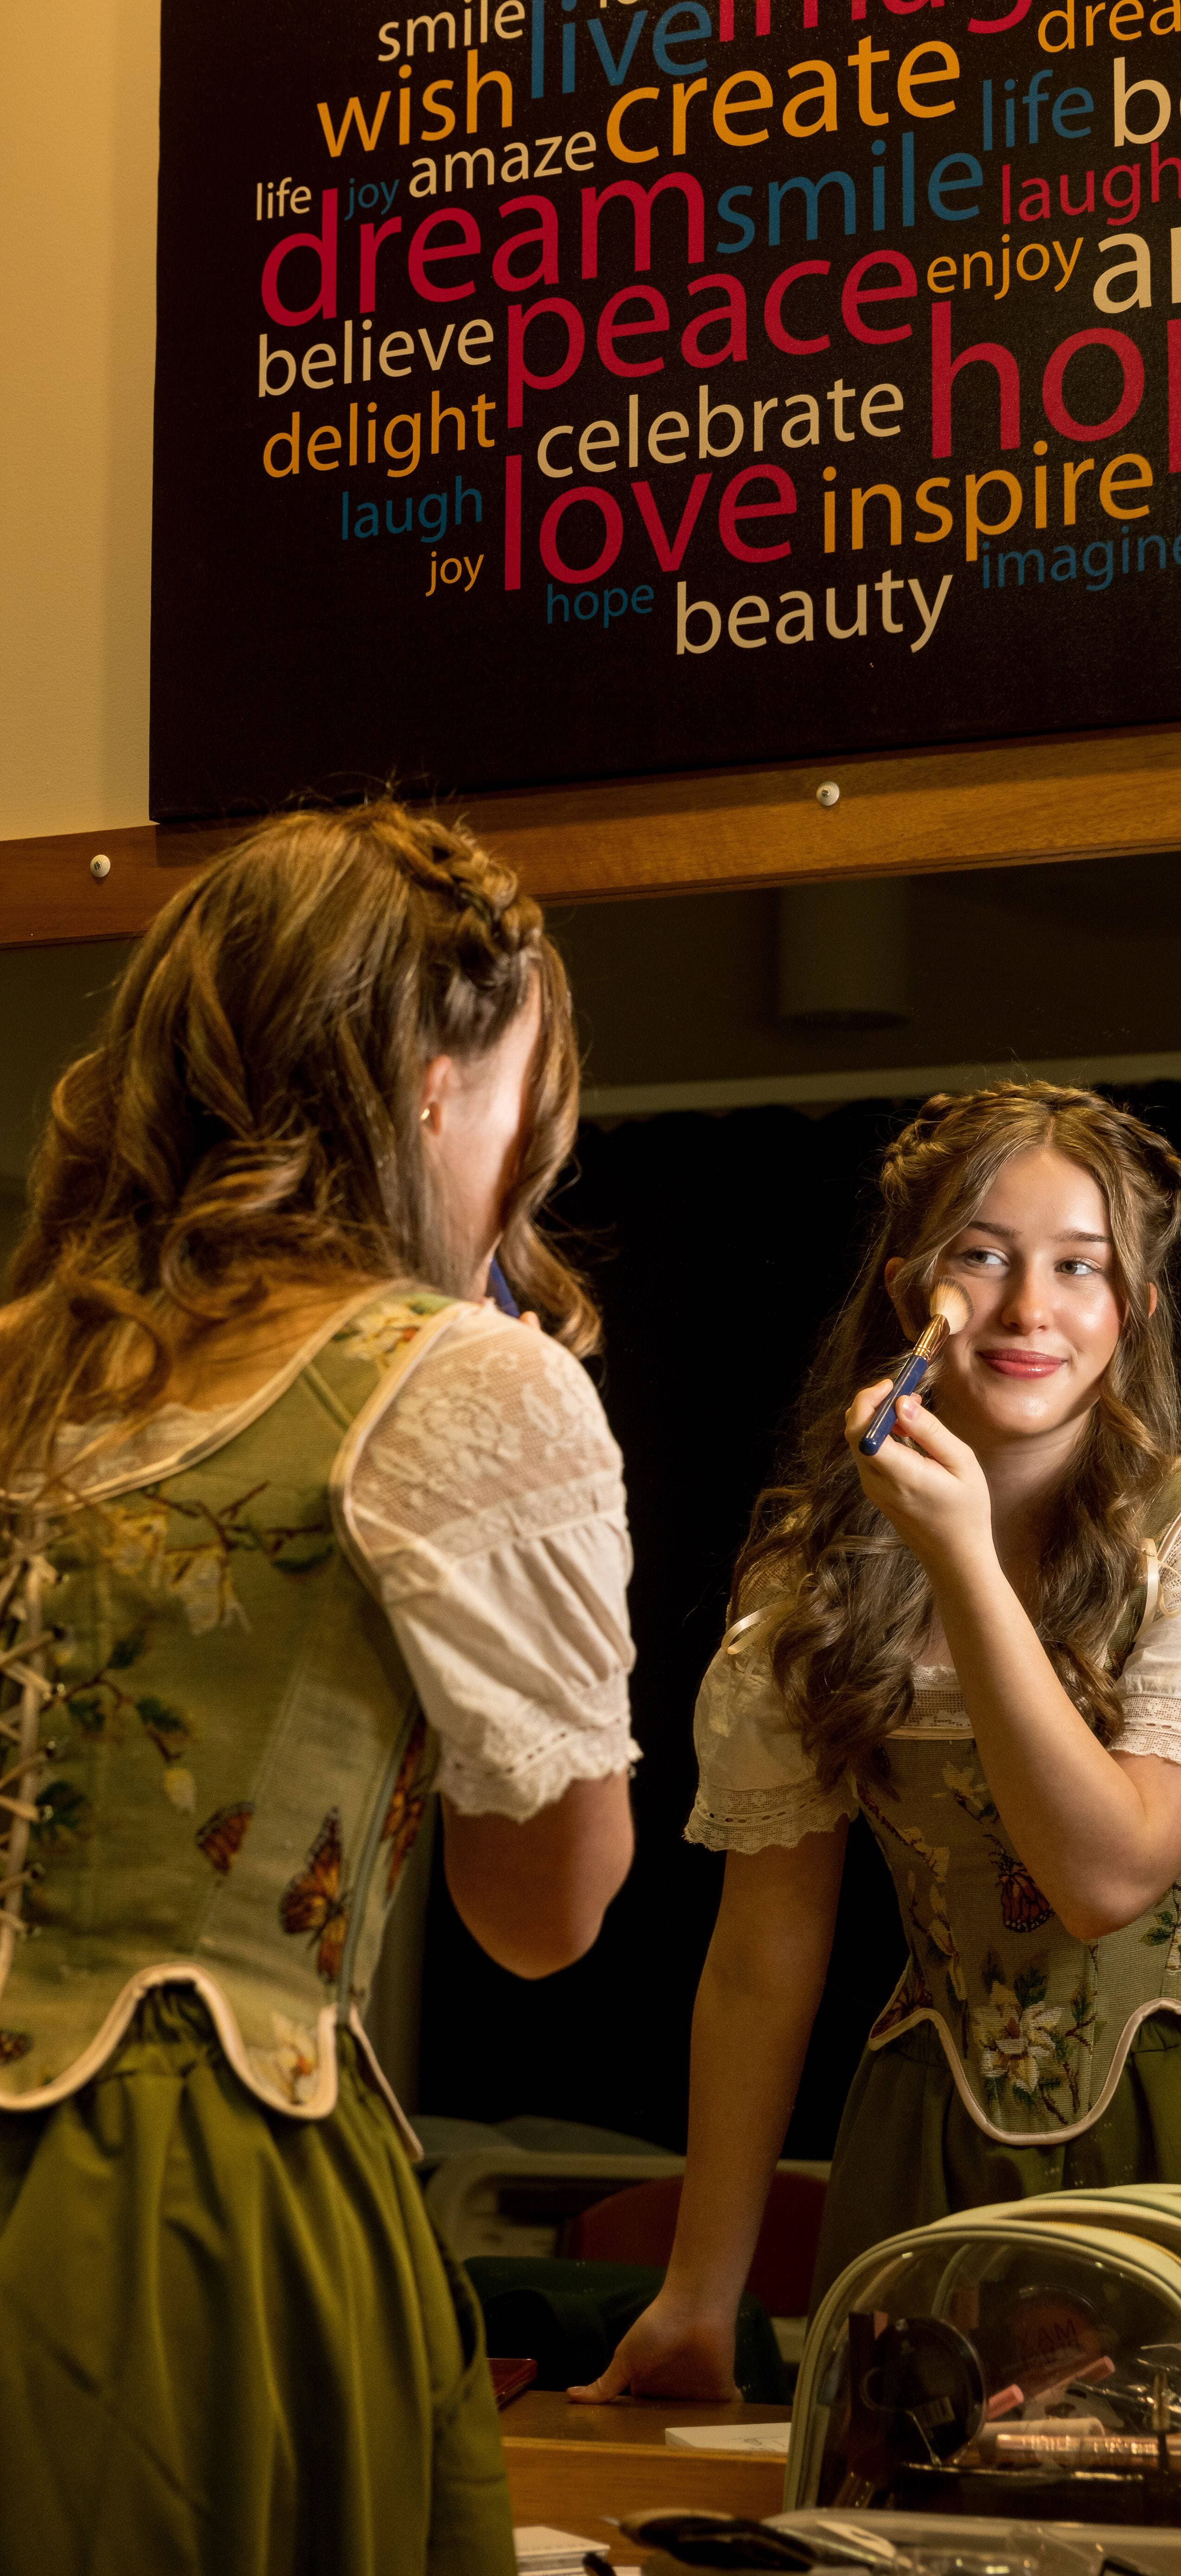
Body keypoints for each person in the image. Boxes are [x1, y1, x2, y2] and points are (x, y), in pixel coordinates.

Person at [0, 802, 638, 2573]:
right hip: (194, 2190)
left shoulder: (23, 1368)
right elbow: (549, 1909)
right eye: (525, 1096)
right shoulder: (453, 1387)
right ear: (438, 1083)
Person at [574, 1081, 1181, 2408]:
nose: (1033, 1307)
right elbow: (759, 1963)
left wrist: (960, 1559)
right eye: (985, 1253)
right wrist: (699, 2290)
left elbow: (1110, 1873)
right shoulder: (811, 1600)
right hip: (938, 2153)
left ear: (1131, 1310)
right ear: (913, 1290)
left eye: (1081, 1266)